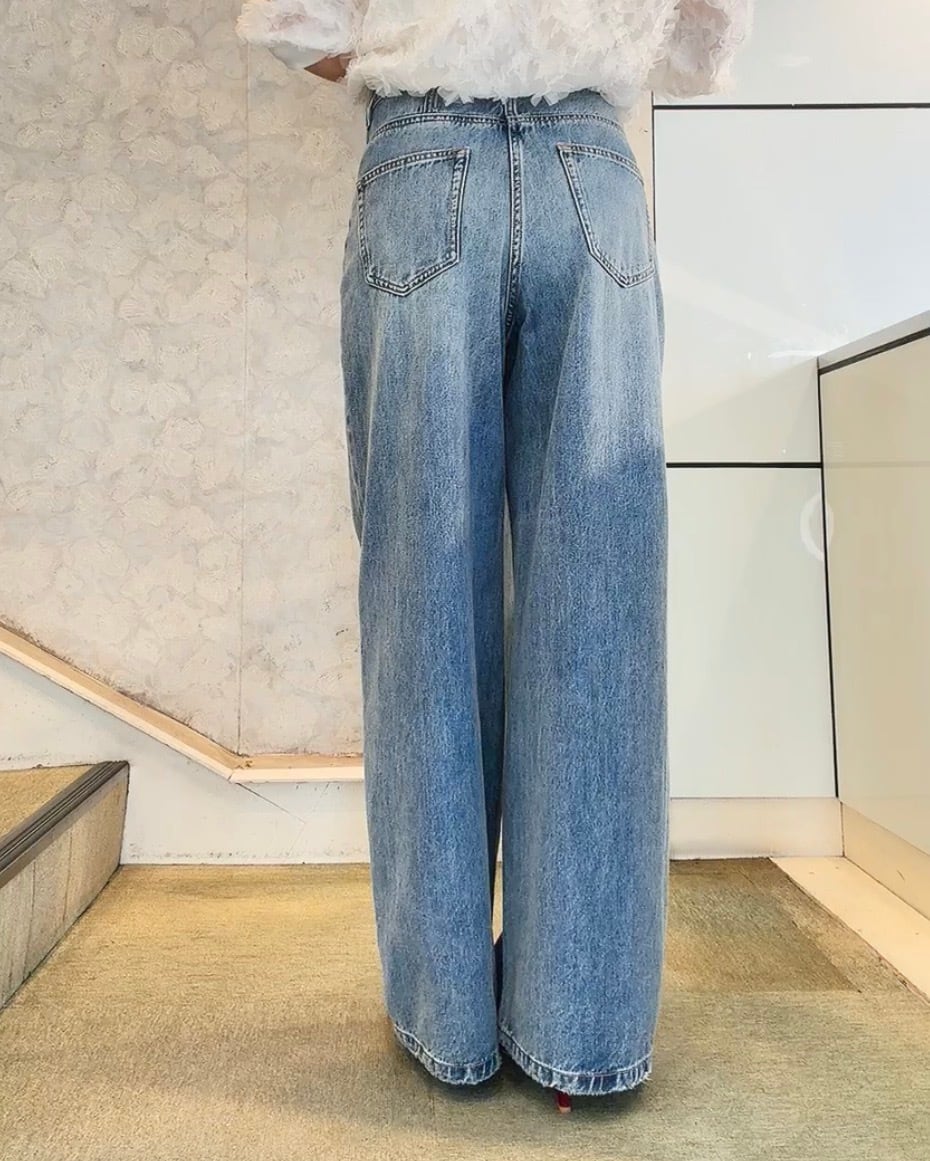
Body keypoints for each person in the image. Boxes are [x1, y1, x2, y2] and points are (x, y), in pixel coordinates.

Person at [236, 0, 753, 1114]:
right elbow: (703, 35)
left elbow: (294, 19)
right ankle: (584, 1030)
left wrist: (422, 55)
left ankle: (448, 1024)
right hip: (589, 175)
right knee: (598, 618)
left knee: (423, 610)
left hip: (424, 164)